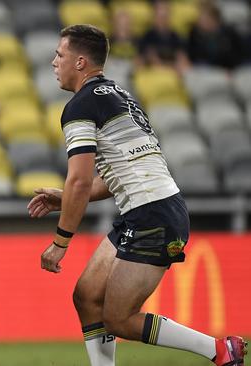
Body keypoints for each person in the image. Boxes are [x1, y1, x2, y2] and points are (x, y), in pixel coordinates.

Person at [28, 24, 247, 366]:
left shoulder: (80, 107)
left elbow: (81, 182)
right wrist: (64, 197)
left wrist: (60, 242)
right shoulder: (118, 95)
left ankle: (218, 350)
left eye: (60, 55)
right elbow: (114, 176)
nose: (54, 62)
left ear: (81, 62)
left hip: (153, 216)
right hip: (149, 210)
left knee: (119, 318)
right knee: (86, 296)